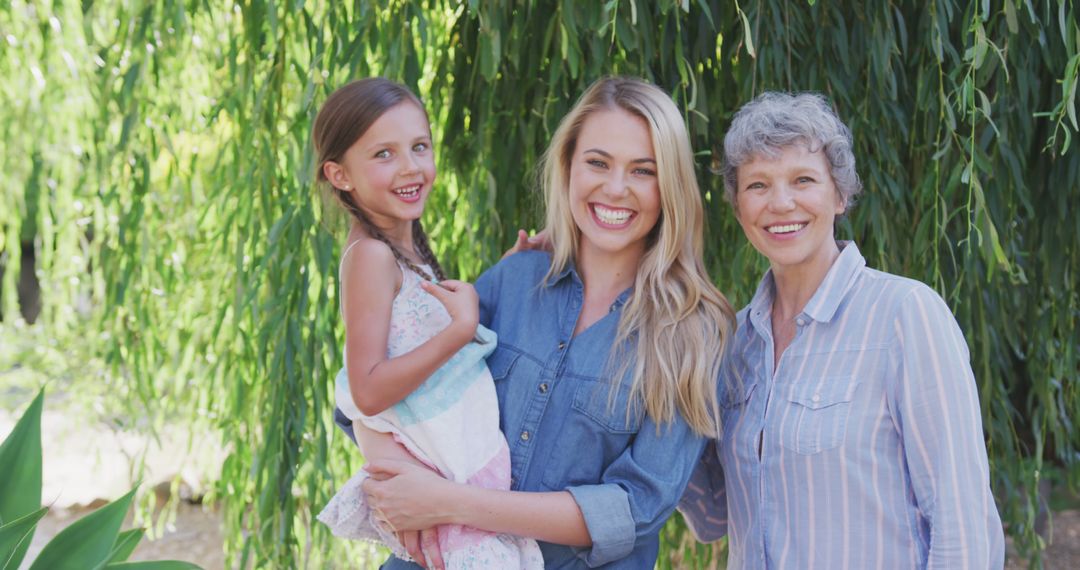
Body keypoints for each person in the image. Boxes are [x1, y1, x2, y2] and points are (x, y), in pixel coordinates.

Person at [349, 76, 737, 568]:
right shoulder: (515, 279)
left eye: (644, 170)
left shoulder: (694, 331)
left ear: (671, 187)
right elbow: (379, 399)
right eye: (597, 162)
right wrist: (412, 496)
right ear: (568, 166)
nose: (615, 188)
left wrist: (447, 502)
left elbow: (634, 509)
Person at [677, 92, 1005, 568]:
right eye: (758, 185)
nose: (781, 202)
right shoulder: (735, 343)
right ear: (738, 206)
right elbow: (713, 516)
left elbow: (963, 524)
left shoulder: (905, 315)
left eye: (803, 179)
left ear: (840, 194)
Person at [310, 77, 543, 569]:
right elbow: (368, 390)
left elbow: (417, 329)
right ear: (339, 174)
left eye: (419, 146)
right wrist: (459, 331)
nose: (411, 167)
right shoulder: (371, 256)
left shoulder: (400, 247)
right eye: (384, 155)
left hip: (448, 466)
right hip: (437, 471)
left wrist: (508, 270)